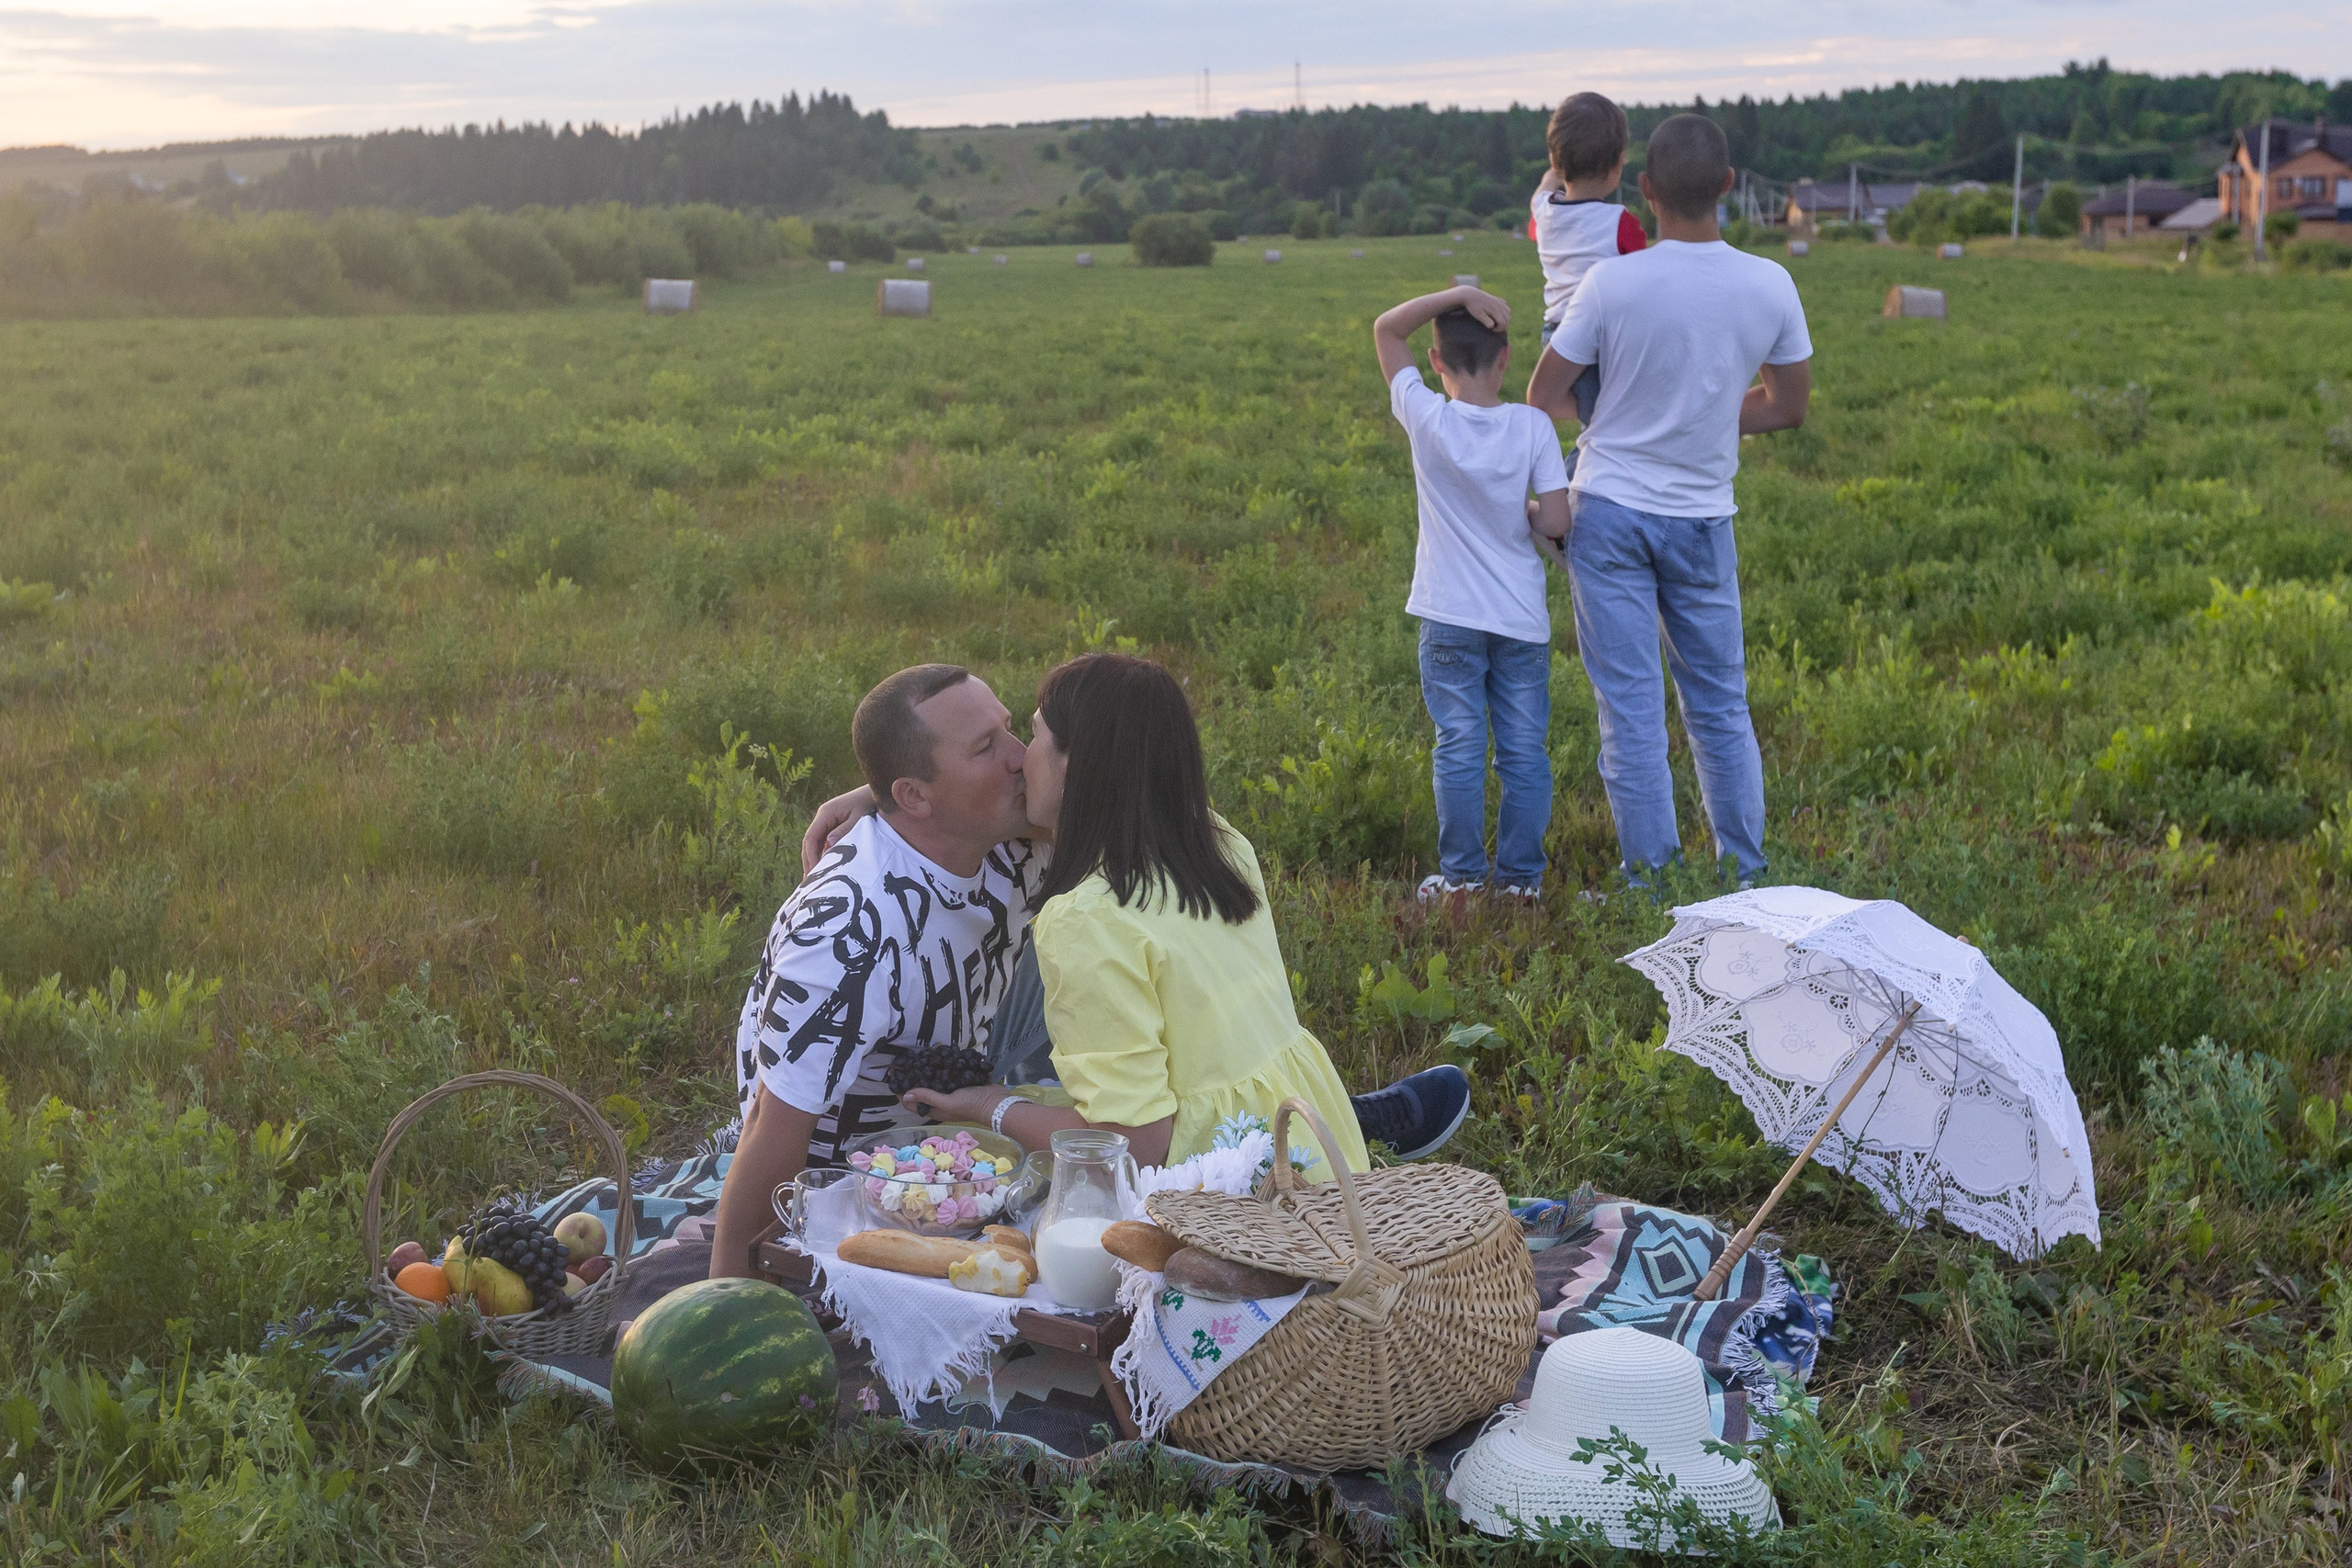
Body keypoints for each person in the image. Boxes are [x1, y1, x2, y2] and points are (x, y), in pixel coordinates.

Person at [899, 654, 1371, 1176]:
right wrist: (884, 798)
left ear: (1074, 763)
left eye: (1033, 736)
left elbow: (1130, 1147)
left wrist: (991, 1107)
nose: (1018, 758)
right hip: (1310, 1149)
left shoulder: (1088, 921)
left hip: (1226, 1193)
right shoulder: (1215, 839)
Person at [1525, 112, 1812, 889]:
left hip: (1609, 511)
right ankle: (1746, 877)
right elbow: (1788, 407)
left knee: (1631, 714)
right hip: (1704, 521)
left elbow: (1544, 394)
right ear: (1727, 186)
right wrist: (1710, 414)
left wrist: (1622, 411)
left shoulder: (1610, 282)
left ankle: (1650, 883)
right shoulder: (1771, 283)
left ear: (1645, 190)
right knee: (1721, 707)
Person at [707, 663, 1045, 1278]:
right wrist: (723, 1310)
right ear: (915, 795)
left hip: (957, 1147)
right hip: (852, 1186)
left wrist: (876, 792)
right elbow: (771, 1129)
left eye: (1011, 728)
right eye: (986, 747)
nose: (1022, 757)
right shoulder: (849, 932)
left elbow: (1133, 795)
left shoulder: (1009, 835)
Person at [1374, 284, 1572, 904]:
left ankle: (1460, 878)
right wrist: (1526, 510)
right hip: (1519, 619)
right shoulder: (1533, 426)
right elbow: (1559, 523)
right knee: (1523, 752)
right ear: (1507, 358)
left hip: (1448, 614)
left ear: (1435, 363)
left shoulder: (1426, 417)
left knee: (1458, 743)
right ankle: (1519, 884)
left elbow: (1386, 328)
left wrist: (1457, 293)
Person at [1528, 92, 1646, 447]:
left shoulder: (1545, 214)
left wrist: (1555, 171)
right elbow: (1642, 277)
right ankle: (1573, 484)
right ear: (1617, 167)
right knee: (1607, 432)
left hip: (1556, 338)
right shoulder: (1621, 222)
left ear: (1555, 160)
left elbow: (1540, 200)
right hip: (1604, 340)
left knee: (1598, 426)